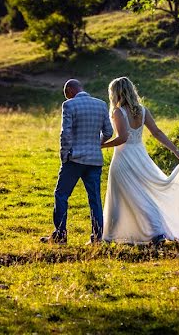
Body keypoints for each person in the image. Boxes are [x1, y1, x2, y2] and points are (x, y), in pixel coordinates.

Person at [101, 77, 179, 244]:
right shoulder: (142, 110)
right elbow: (157, 132)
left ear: (116, 93)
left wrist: (101, 146)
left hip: (124, 158)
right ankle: (140, 232)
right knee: (140, 194)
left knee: (120, 197)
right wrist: (176, 150)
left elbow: (123, 138)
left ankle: (136, 233)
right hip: (140, 155)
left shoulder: (118, 112)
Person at [41, 79, 113, 245]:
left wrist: (64, 154)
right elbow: (109, 132)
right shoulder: (101, 104)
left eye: (67, 96)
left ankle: (60, 235)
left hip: (74, 159)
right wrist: (96, 144)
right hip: (95, 160)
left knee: (61, 195)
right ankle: (97, 237)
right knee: (94, 198)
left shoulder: (69, 105)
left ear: (70, 91)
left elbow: (65, 133)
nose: (68, 99)